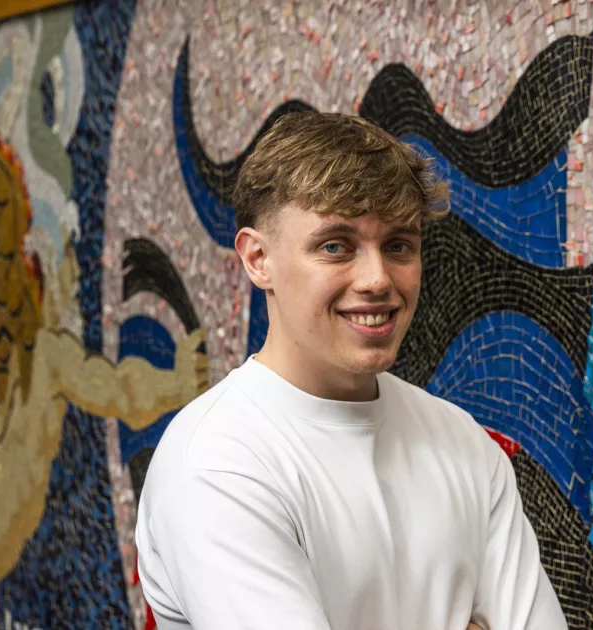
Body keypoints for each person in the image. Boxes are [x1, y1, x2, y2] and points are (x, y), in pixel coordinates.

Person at [135, 111, 567, 630]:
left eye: (398, 245)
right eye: (335, 246)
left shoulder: (464, 442)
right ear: (257, 259)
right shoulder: (216, 463)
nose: (377, 279)